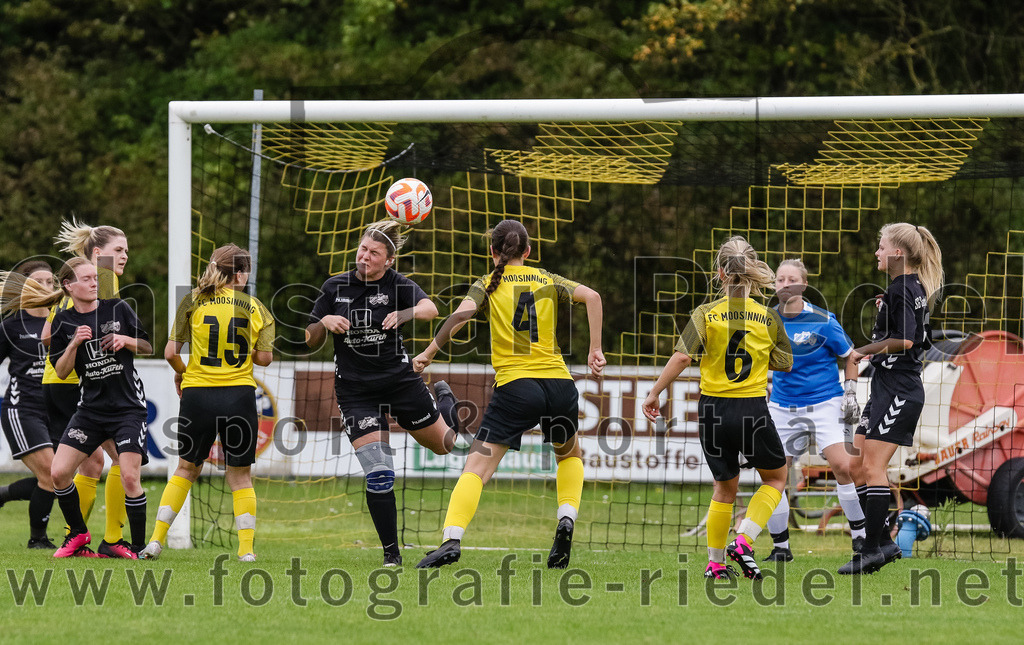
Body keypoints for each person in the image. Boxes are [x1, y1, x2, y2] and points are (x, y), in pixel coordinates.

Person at [413, 219, 606, 570]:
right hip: (560, 386)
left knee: (477, 467)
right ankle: (566, 519)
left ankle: (451, 539)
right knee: (569, 455)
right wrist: (595, 349)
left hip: (517, 388)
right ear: (528, 251)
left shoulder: (487, 283)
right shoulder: (547, 278)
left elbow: (458, 317)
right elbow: (593, 296)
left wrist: (428, 353)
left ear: (492, 252)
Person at [306, 220, 460, 567]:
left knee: (445, 445)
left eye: (374, 253)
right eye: (363, 249)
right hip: (356, 392)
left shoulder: (397, 284)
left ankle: (445, 403)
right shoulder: (335, 287)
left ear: (389, 260)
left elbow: (431, 310)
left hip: (400, 382)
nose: (365, 257)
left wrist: (405, 313)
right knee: (379, 473)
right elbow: (309, 338)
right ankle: (392, 555)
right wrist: (324, 322)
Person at [642, 236, 793, 581]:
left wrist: (654, 393)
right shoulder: (769, 317)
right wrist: (758, 356)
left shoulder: (705, 313)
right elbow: (785, 364)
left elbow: (682, 356)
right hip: (751, 409)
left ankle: (715, 563)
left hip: (712, 411)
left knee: (724, 487)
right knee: (775, 477)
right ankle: (744, 540)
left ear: (721, 274)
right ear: (752, 273)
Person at [140, 244, 274, 562]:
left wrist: (183, 373)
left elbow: (170, 353)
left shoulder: (192, 301)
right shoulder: (257, 308)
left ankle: (156, 541)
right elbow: (265, 359)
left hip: (198, 395)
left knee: (186, 469)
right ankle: (246, 551)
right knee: (240, 476)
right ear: (240, 274)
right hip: (239, 396)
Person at [839, 223, 943, 575]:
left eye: (881, 247)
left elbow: (908, 340)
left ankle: (870, 550)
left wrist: (864, 351)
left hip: (900, 390)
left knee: (873, 468)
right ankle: (883, 542)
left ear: (898, 253)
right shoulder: (906, 288)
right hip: (885, 386)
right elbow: (916, 338)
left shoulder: (903, 288)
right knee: (855, 467)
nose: (877, 252)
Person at [42, 257, 152, 557]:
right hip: (90, 411)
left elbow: (147, 346)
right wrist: (74, 344)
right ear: (69, 285)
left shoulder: (118, 308)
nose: (95, 283)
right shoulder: (63, 322)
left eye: (95, 277)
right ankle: (78, 534)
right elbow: (62, 371)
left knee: (129, 476)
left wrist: (125, 339)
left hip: (128, 409)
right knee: (58, 473)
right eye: (87, 279)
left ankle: (139, 548)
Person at [762, 259, 865, 562]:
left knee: (843, 466)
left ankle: (861, 540)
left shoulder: (823, 320)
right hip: (782, 406)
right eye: (780, 280)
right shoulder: (766, 320)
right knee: (773, 475)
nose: (785, 285)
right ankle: (781, 549)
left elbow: (851, 356)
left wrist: (850, 393)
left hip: (825, 403)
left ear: (804, 285)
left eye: (792, 279)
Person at [0, 261, 58, 548]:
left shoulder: (64, 319)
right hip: (23, 409)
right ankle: (38, 540)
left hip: (58, 410)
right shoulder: (11, 325)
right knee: (50, 474)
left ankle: (3, 494)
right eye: (38, 282)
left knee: (60, 477)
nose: (46, 287)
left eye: (50, 281)